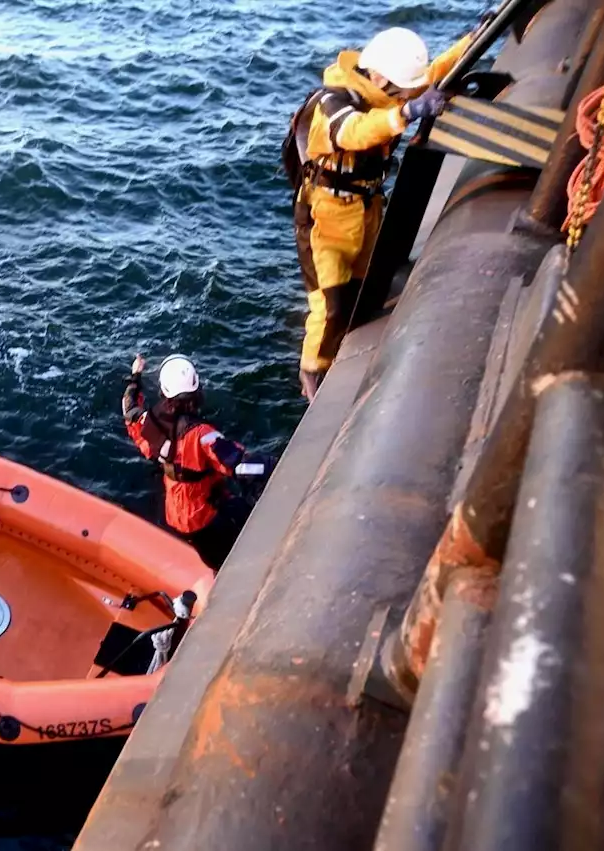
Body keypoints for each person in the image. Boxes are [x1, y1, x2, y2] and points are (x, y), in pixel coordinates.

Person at [289, 26, 473, 401]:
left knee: (363, 282)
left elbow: (432, 74)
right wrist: (408, 112)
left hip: (366, 204)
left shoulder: (386, 92)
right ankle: (312, 372)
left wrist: (474, 38)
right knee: (329, 301)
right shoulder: (334, 103)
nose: (410, 94)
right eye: (404, 90)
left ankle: (351, 337)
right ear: (380, 77)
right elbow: (353, 132)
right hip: (327, 215)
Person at [122, 354, 269, 571]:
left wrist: (136, 375)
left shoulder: (148, 423)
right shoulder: (202, 435)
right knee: (233, 544)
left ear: (164, 392)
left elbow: (129, 407)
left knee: (213, 546)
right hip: (203, 514)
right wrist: (272, 465)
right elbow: (240, 466)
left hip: (176, 512)